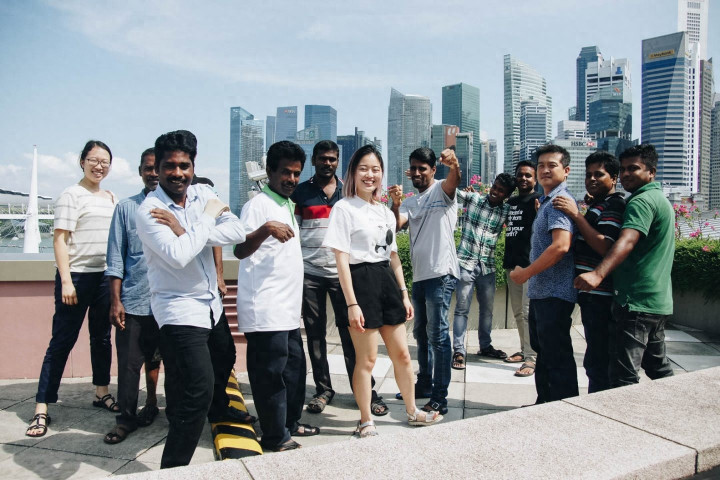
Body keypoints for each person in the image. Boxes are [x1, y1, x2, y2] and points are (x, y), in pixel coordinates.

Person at [135, 130, 247, 468]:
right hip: (179, 309)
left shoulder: (202, 193)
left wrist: (186, 230)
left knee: (222, 359)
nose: (177, 173)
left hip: (211, 306)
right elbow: (179, 256)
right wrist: (207, 219)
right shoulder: (150, 210)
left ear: (193, 166)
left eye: (184, 166)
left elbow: (237, 231)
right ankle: (172, 469)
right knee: (197, 392)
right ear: (157, 168)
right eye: (169, 166)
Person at [323, 144, 442, 438]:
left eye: (375, 169)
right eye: (363, 169)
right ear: (353, 172)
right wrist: (352, 304)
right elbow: (341, 260)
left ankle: (413, 411)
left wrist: (403, 293)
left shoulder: (385, 212)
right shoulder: (343, 208)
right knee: (367, 360)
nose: (370, 175)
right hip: (359, 283)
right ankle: (365, 420)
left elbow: (392, 256)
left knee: (402, 355)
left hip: (386, 281)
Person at [27, 140, 118, 438]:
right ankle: (42, 406)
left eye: (104, 162)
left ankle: (101, 392)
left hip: (104, 277)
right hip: (77, 278)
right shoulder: (71, 195)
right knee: (62, 341)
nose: (99, 166)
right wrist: (66, 280)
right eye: (93, 160)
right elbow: (60, 239)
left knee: (101, 338)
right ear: (82, 162)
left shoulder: (110, 197)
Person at [234, 141, 319, 452]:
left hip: (287, 311)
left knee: (294, 371)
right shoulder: (258, 206)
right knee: (270, 375)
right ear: (269, 171)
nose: (292, 179)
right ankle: (274, 436)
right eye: (285, 172)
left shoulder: (286, 204)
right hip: (265, 309)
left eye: (296, 173)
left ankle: (289, 424)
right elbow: (239, 249)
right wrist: (265, 229)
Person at [292, 140, 387, 416]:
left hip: (342, 275)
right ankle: (323, 389)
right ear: (314, 160)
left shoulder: (349, 193)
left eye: (332, 159)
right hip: (310, 274)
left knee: (353, 336)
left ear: (338, 161)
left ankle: (365, 392)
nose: (327, 163)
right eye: (322, 158)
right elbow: (294, 235)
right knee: (315, 336)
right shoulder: (300, 193)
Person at [575, 144, 674, 388]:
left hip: (635, 301)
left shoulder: (641, 202)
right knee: (658, 368)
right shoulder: (657, 198)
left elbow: (626, 241)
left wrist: (597, 274)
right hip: (656, 300)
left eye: (634, 169)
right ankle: (679, 407)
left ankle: (619, 415)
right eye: (625, 169)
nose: (627, 174)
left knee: (623, 376)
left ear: (651, 172)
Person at [387, 147, 459, 416]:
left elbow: (454, 180)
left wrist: (454, 164)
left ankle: (440, 398)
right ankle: (425, 384)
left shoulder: (441, 189)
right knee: (421, 335)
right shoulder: (410, 202)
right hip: (420, 276)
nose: (417, 173)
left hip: (441, 274)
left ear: (433, 170)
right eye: (414, 168)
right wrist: (395, 203)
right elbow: (396, 225)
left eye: (423, 168)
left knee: (438, 336)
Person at [509, 144, 578, 403]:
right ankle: (545, 404)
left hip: (554, 292)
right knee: (545, 354)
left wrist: (526, 273)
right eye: (541, 166)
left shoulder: (560, 202)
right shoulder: (548, 202)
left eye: (552, 165)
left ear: (566, 170)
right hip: (542, 292)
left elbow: (561, 246)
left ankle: (563, 408)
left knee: (556, 355)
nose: (545, 170)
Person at [103, 148, 162, 444]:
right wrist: (116, 301)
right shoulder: (126, 208)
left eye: (158, 167)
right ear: (140, 172)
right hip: (135, 301)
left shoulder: (179, 207)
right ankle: (126, 419)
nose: (153, 173)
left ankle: (154, 405)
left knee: (163, 361)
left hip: (169, 303)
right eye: (148, 168)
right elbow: (115, 259)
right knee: (129, 365)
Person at [553, 151, 625, 393]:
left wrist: (576, 215)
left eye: (599, 175)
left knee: (598, 358)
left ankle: (600, 401)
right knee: (595, 354)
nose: (592, 179)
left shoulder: (614, 204)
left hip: (600, 295)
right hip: (589, 293)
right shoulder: (599, 203)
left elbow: (605, 246)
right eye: (588, 175)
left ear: (613, 178)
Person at [452, 173, 516, 370]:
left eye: (501, 191)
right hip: (465, 263)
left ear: (507, 195)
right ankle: (459, 350)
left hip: (487, 267)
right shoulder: (474, 199)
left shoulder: (506, 211)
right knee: (462, 308)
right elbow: (449, 190)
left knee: (487, 310)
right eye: (494, 187)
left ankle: (485, 346)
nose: (495, 192)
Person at [502, 161, 541, 377]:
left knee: (527, 313)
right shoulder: (511, 202)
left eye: (528, 175)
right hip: (511, 263)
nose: (523, 178)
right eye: (520, 175)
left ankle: (531, 357)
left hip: (529, 265)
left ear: (535, 179)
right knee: (518, 312)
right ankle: (524, 349)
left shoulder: (539, 201)